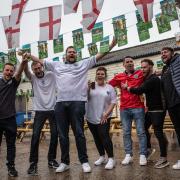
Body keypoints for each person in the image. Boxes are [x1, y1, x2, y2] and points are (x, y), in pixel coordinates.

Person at [23, 38, 116, 173]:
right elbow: (40, 61)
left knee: (79, 133)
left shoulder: (84, 64)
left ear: (76, 55)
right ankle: (65, 162)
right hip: (60, 104)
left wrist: (111, 46)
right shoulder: (57, 65)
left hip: (77, 103)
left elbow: (99, 55)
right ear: (65, 55)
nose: (71, 53)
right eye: (69, 52)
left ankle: (84, 161)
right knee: (62, 134)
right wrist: (28, 55)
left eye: (73, 52)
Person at [121, 59, 169, 168]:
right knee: (143, 128)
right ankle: (148, 149)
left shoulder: (153, 79)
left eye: (145, 67)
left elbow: (139, 90)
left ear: (151, 67)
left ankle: (164, 158)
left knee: (158, 132)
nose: (142, 69)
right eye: (141, 67)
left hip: (158, 110)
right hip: (151, 109)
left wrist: (127, 87)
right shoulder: (148, 78)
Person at [109, 56, 147, 166]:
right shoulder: (119, 77)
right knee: (126, 133)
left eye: (131, 61)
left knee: (141, 132)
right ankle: (128, 155)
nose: (130, 63)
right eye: (127, 62)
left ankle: (143, 155)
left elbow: (151, 77)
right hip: (124, 108)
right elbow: (108, 86)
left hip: (138, 107)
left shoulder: (140, 73)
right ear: (123, 65)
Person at [23, 60, 59, 175]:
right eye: (35, 69)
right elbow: (26, 70)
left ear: (42, 67)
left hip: (53, 110)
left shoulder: (51, 75)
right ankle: (33, 164)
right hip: (39, 111)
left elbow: (56, 68)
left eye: (39, 68)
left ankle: (51, 160)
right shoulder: (32, 78)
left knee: (54, 135)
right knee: (35, 136)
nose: (38, 71)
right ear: (33, 70)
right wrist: (24, 61)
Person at [0, 60, 27, 177]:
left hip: (10, 119)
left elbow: (19, 72)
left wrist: (23, 63)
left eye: (11, 71)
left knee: (11, 145)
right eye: (7, 70)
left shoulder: (14, 82)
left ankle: (11, 167)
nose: (9, 72)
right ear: (2, 70)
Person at [86, 67, 117, 170]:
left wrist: (106, 114)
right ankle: (102, 156)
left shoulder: (110, 87)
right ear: (96, 75)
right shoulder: (91, 86)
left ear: (105, 76)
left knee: (104, 136)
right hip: (90, 116)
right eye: (98, 74)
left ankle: (111, 158)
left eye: (102, 74)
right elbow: (84, 98)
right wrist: (87, 88)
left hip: (104, 116)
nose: (100, 75)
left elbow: (113, 102)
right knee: (96, 137)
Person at [161, 47, 180, 170]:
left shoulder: (178, 60)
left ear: (172, 53)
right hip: (171, 106)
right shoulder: (165, 68)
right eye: (161, 53)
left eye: (165, 52)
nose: (163, 54)